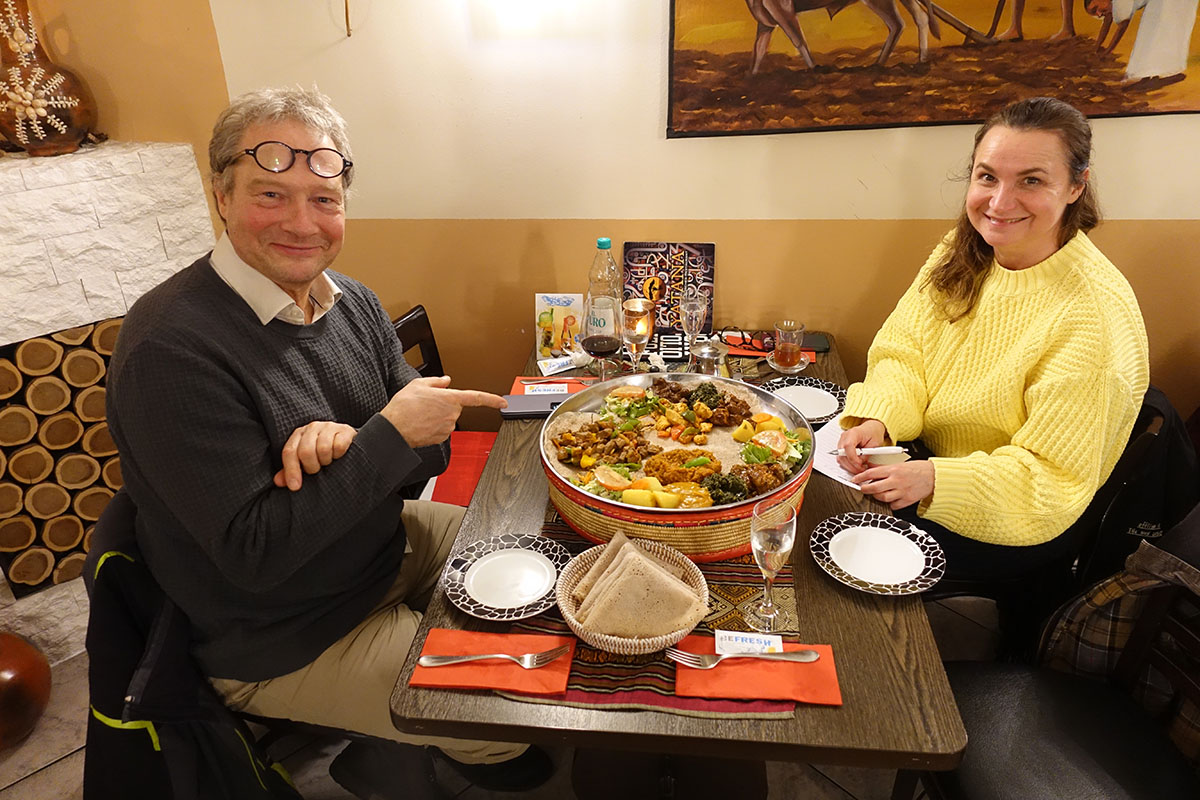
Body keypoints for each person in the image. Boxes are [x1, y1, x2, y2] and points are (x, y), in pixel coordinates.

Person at [106, 87, 550, 800]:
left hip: (378, 546)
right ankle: (446, 748)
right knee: (512, 713)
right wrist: (382, 440)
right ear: (221, 197)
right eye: (270, 195)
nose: (302, 223)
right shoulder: (171, 349)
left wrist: (362, 442)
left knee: (542, 564)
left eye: (324, 199)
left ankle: (413, 720)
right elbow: (255, 556)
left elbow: (430, 452)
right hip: (286, 630)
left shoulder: (353, 302)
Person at [837, 96, 1149, 581]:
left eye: (1031, 180)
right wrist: (880, 416)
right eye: (987, 177)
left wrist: (935, 480)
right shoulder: (965, 249)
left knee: (834, 555)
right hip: (923, 464)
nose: (1000, 203)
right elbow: (905, 351)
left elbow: (1051, 483)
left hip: (1013, 519)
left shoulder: (1094, 316)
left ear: (1076, 186)